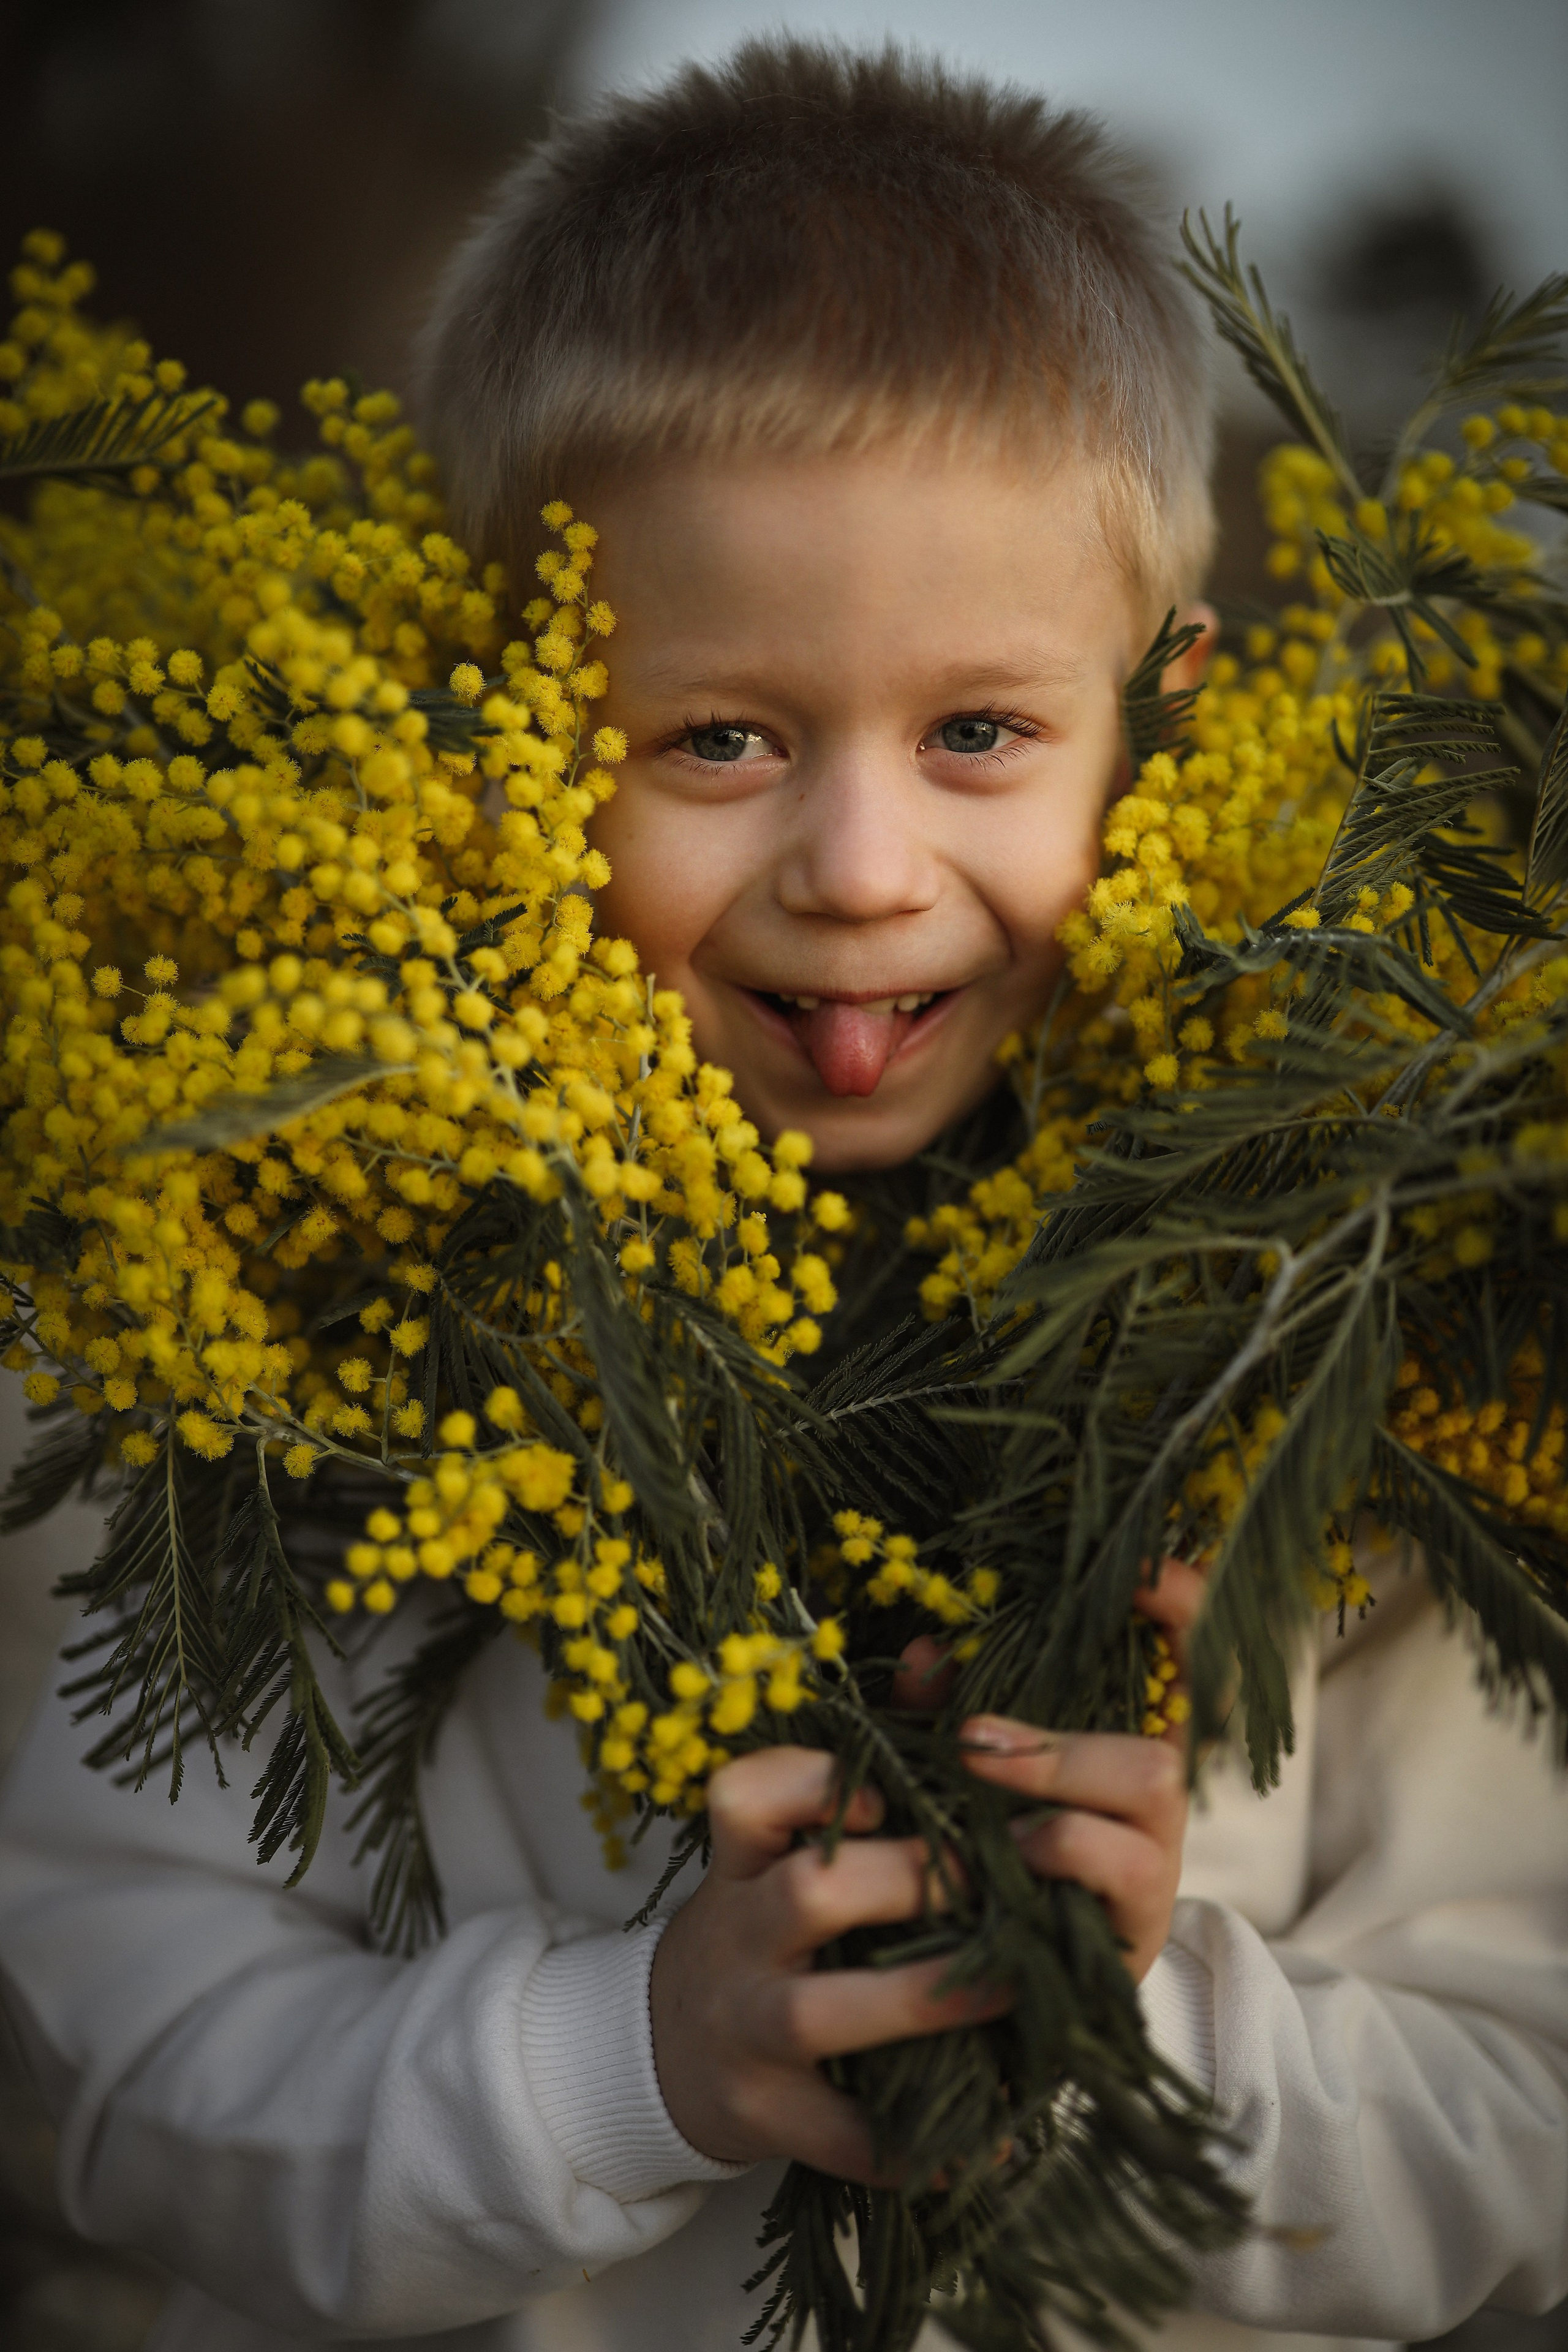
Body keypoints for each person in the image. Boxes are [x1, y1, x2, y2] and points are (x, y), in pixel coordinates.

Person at [2, 38, 1566, 2352]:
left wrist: (1124, 2033)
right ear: (504, 718)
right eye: (717, 735)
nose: (858, 871)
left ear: (1163, 721)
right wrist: (636, 2061)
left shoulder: (1373, 1333)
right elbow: (137, 2083)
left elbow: (1516, 2120)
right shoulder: (269, 1324)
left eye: (979, 733)